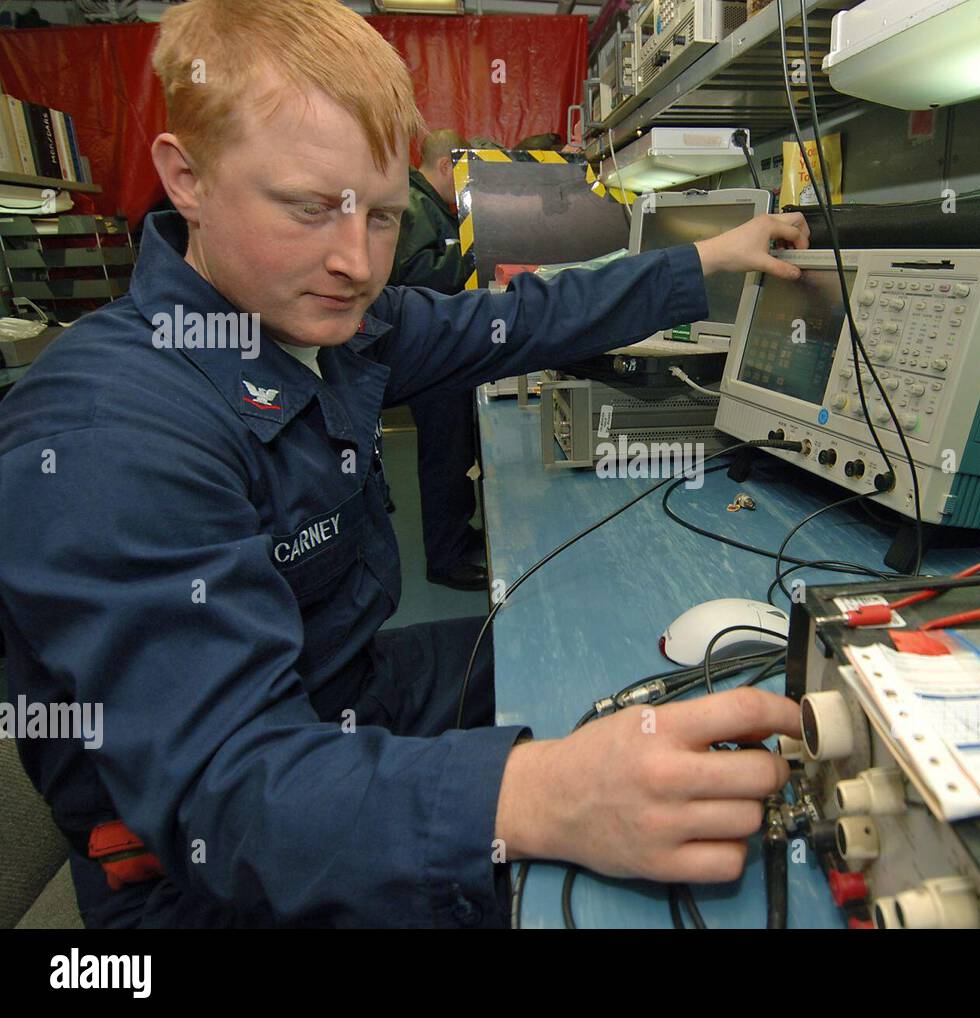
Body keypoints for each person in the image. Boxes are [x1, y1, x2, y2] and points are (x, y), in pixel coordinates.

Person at [0, 0, 809, 928]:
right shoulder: (109, 435)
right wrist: (540, 797)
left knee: (599, 661)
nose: (357, 262)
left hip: (343, 691)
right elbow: (233, 799)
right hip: (197, 876)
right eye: (310, 209)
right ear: (186, 177)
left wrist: (708, 259)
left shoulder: (323, 323)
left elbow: (523, 319)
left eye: (382, 217)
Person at [387, 128, 484, 590]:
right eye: (461, 172)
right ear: (445, 165)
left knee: (455, 453)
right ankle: (445, 560)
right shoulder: (415, 205)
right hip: (430, 356)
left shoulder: (430, 207)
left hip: (444, 354)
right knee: (444, 458)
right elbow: (411, 274)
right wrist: (475, 259)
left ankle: (460, 538)